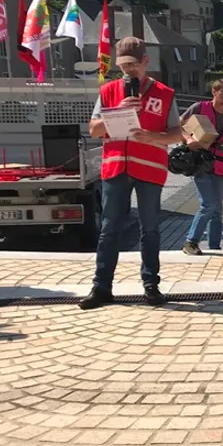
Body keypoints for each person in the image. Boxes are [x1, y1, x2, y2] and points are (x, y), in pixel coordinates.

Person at [81, 37, 183, 310]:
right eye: (123, 65)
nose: (127, 71)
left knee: (149, 229)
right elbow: (94, 130)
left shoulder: (164, 93)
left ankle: (151, 285)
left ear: (145, 62)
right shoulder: (109, 91)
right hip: (116, 167)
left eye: (133, 65)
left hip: (149, 169)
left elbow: (177, 133)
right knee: (108, 230)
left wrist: (153, 137)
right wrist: (117, 113)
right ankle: (101, 287)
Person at [181, 79, 223, 255]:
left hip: (219, 163)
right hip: (200, 162)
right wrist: (189, 139)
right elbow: (179, 125)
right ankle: (191, 242)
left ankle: (215, 247)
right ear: (214, 91)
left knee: (217, 209)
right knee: (208, 205)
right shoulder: (199, 108)